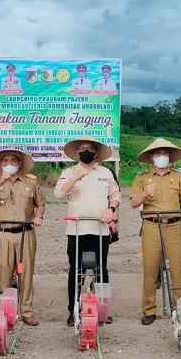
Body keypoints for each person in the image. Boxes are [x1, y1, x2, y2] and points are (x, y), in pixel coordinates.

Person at [130, 138, 181, 325]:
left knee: (177, 268)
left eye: (165, 153)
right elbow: (134, 202)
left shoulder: (177, 176)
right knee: (150, 269)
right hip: (151, 225)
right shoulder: (142, 177)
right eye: (158, 153)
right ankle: (149, 310)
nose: (161, 156)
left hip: (174, 226)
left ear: (169, 157)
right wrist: (145, 193)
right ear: (152, 156)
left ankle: (178, 308)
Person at [54, 136, 120, 326]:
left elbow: (115, 195)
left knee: (101, 271)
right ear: (77, 152)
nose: (86, 151)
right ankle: (73, 310)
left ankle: (102, 310)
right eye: (82, 148)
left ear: (96, 152)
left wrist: (111, 210)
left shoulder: (105, 173)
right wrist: (77, 176)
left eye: (90, 148)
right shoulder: (68, 172)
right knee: (76, 271)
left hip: (99, 230)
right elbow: (59, 194)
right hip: (76, 230)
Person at [0, 149, 46, 326]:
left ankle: (26, 311)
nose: (9, 163)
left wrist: (38, 216)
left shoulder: (30, 182)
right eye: (5, 160)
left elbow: (40, 204)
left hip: (25, 233)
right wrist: (0, 181)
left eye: (13, 160)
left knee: (25, 273)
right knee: (4, 272)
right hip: (2, 234)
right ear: (0, 164)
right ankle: (5, 310)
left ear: (19, 163)